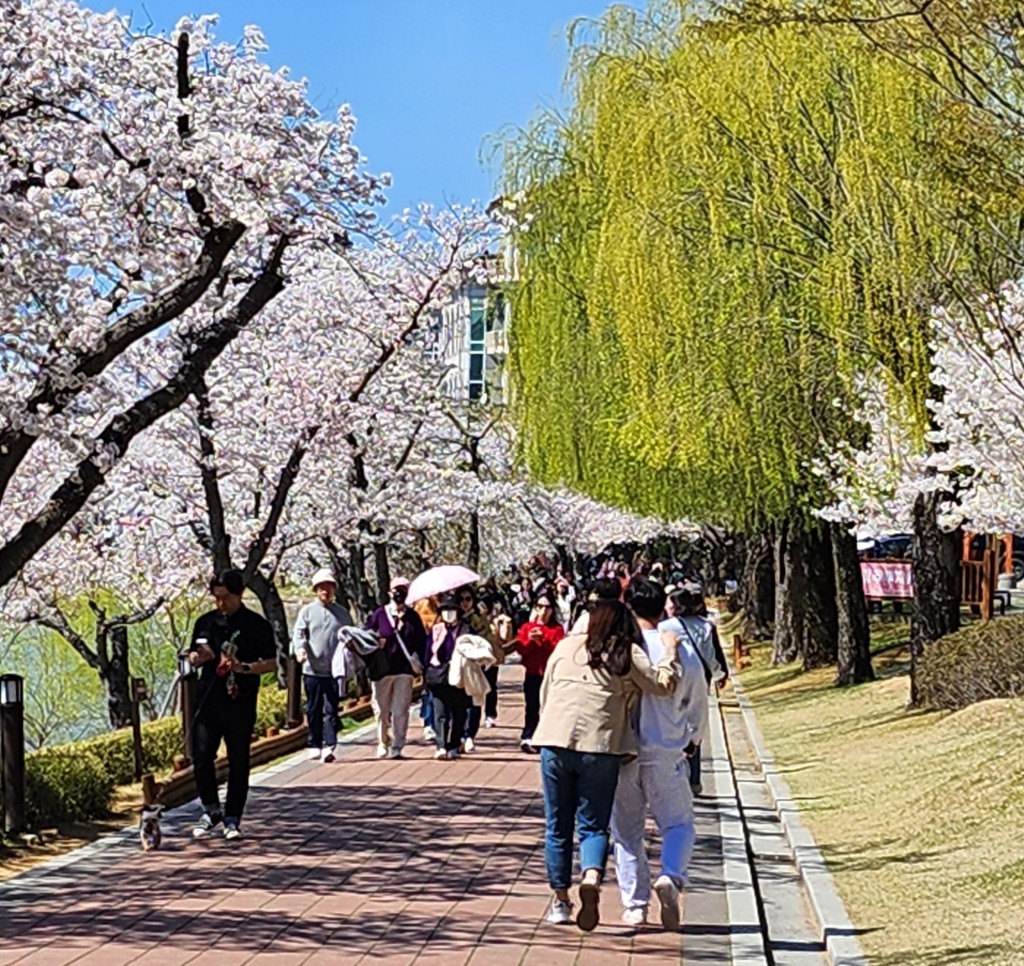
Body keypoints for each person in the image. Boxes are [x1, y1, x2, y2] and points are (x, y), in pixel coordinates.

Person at [531, 598, 679, 931]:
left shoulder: (566, 646)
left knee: (557, 825)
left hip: (554, 740)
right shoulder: (626, 653)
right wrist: (670, 652)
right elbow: (662, 685)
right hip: (601, 746)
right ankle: (592, 876)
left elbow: (545, 692)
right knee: (593, 824)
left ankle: (560, 902)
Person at [612, 578, 708, 931]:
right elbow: (697, 699)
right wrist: (693, 737)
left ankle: (634, 905)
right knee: (679, 823)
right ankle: (671, 875)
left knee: (626, 830)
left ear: (629, 607)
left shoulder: (619, 649)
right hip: (667, 748)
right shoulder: (679, 650)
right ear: (664, 608)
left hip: (624, 751)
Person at [188, 569, 278, 841]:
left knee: (239, 760)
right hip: (208, 699)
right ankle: (211, 809)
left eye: (225, 597)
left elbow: (273, 662)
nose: (220, 603)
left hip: (240, 700)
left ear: (240, 594)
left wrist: (244, 667)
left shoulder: (256, 624)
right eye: (216, 598)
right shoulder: (205, 622)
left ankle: (232, 817)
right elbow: (192, 654)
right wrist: (198, 658)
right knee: (202, 756)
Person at [660, 585, 728, 795]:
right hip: (702, 677)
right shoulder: (706, 625)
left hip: (675, 676)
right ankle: (694, 778)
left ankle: (672, 773)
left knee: (673, 720)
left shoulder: (666, 626)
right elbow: (715, 653)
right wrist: (721, 675)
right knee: (695, 723)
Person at [292, 568, 352, 763]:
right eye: (321, 587)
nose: (325, 590)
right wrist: (300, 649)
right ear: (316, 590)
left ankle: (330, 744)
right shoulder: (307, 611)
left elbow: (350, 634)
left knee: (331, 708)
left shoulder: (342, 613)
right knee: (313, 708)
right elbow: (299, 634)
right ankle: (314, 743)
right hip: (312, 669)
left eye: (328, 587)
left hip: (334, 670)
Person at [364, 577, 426, 759]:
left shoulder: (413, 617)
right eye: (396, 590)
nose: (399, 594)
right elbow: (366, 635)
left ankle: (398, 744)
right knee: (381, 710)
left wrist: (422, 664)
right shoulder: (379, 614)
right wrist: (376, 641)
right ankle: (383, 741)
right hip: (382, 670)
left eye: (403, 590)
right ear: (389, 592)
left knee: (400, 710)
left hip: (404, 670)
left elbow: (421, 642)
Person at [514, 591, 566, 753]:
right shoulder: (527, 627)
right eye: (539, 606)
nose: (543, 611)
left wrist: (543, 641)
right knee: (532, 705)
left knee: (548, 706)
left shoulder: (557, 629)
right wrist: (530, 640)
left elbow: (558, 651)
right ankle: (528, 735)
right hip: (532, 674)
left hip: (550, 675)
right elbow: (522, 651)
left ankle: (545, 737)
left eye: (547, 607)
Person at [425, 594, 472, 759]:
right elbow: (428, 652)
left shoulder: (466, 630)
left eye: (451, 609)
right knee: (440, 712)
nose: (448, 613)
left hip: (460, 676)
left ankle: (454, 744)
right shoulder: (436, 629)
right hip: (439, 676)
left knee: (459, 712)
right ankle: (441, 745)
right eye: (445, 609)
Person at [457, 585, 495, 752]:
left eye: (468, 599)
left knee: (475, 701)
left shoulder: (480, 619)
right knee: (458, 703)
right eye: (461, 599)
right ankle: (459, 735)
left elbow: (487, 640)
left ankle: (470, 735)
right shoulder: (452, 619)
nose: (465, 603)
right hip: (459, 667)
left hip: (476, 666)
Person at [414, 594, 440, 742]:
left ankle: (428, 723)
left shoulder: (415, 616)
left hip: (425, 660)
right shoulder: (438, 618)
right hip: (434, 660)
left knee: (428, 692)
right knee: (433, 693)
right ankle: (431, 723)